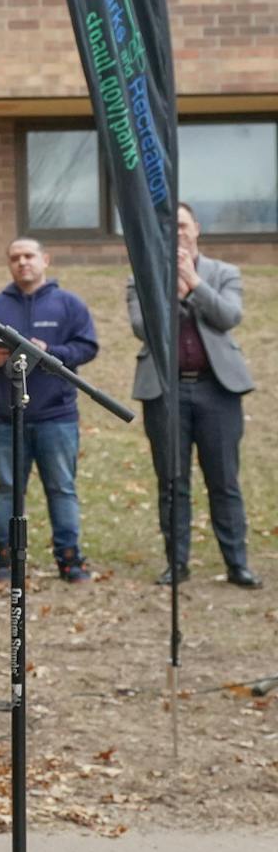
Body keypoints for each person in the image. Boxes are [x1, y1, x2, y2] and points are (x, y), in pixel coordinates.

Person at [128, 203, 259, 587]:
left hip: (217, 391)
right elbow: (142, 326)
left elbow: (228, 316)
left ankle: (237, 563)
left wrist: (194, 283)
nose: (178, 232)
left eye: (183, 225)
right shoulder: (143, 276)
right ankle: (177, 563)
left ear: (196, 228)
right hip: (164, 391)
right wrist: (169, 285)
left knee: (224, 481)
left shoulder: (224, 273)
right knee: (172, 481)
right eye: (170, 227)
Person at [0, 237, 99, 583]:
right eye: (15, 258)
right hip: (5, 417)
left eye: (29, 256)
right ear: (9, 264)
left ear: (45, 260)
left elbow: (87, 346)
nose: (23, 263)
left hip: (57, 416)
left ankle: (70, 560)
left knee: (62, 488)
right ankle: (5, 559)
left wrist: (51, 351)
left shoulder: (69, 305)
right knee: (8, 488)